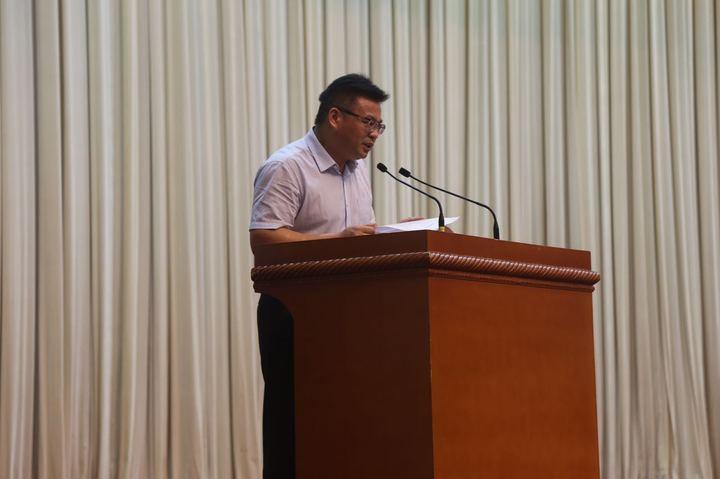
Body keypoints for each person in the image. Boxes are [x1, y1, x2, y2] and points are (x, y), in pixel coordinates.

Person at [249, 73, 390, 478]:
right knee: (294, 425)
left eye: (379, 125)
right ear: (335, 117)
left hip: (351, 313)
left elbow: (360, 239)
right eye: (368, 122)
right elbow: (264, 239)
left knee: (344, 423)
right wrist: (336, 241)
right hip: (294, 314)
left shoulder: (357, 171)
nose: (375, 133)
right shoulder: (287, 166)